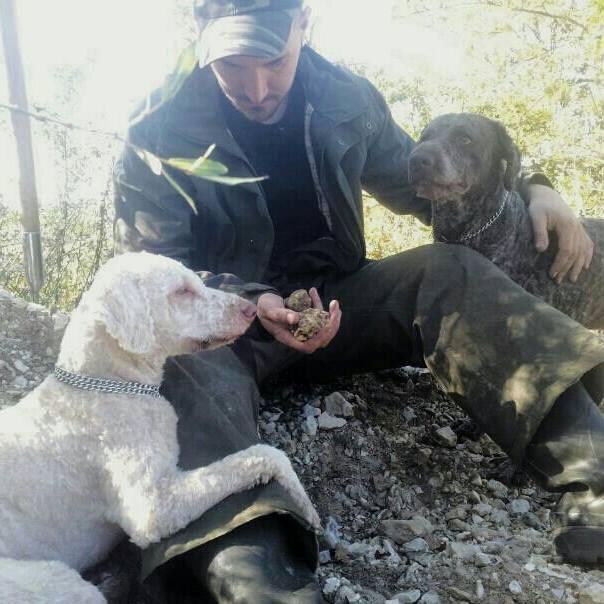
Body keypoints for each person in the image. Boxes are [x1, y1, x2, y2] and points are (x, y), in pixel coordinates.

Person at [113, 1, 604, 602]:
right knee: (169, 362)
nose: (257, 87)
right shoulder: (156, 126)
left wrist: (536, 185)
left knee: (450, 269)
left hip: (340, 307)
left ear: (303, 25)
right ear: (198, 35)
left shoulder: (347, 98)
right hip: (225, 322)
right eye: (233, 64)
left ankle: (595, 474)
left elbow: (436, 181)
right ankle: (254, 578)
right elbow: (157, 266)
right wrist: (254, 298)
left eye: (273, 59)